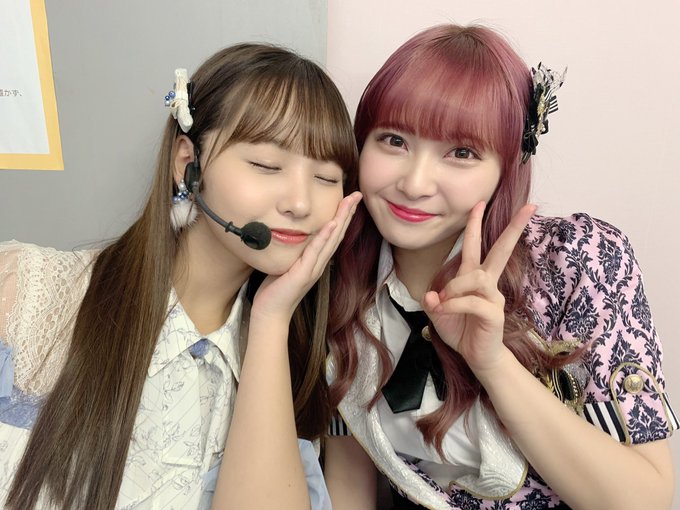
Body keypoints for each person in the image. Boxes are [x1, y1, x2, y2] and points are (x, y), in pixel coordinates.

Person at [324, 24, 676, 509]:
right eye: (394, 140)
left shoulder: (577, 260)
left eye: (461, 153)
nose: (415, 183)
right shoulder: (341, 278)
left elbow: (646, 501)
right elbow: (349, 483)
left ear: (506, 168)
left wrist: (492, 363)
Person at [0, 43, 361, 510]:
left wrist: (272, 319)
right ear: (187, 163)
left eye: (327, 178)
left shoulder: (296, 360)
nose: (300, 203)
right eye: (266, 165)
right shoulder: (27, 290)